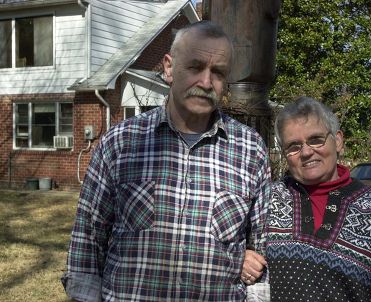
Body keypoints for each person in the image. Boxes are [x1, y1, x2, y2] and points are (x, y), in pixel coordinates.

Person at [61, 20, 271, 301]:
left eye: (218, 73)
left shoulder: (250, 149)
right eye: (195, 67)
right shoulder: (121, 142)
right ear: (169, 68)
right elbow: (88, 239)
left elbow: (261, 246)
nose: (206, 82)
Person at [242, 96, 371, 301]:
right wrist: (239, 258)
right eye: (293, 146)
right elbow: (222, 246)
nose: (307, 152)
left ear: (337, 141)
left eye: (316, 139)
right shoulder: (267, 200)